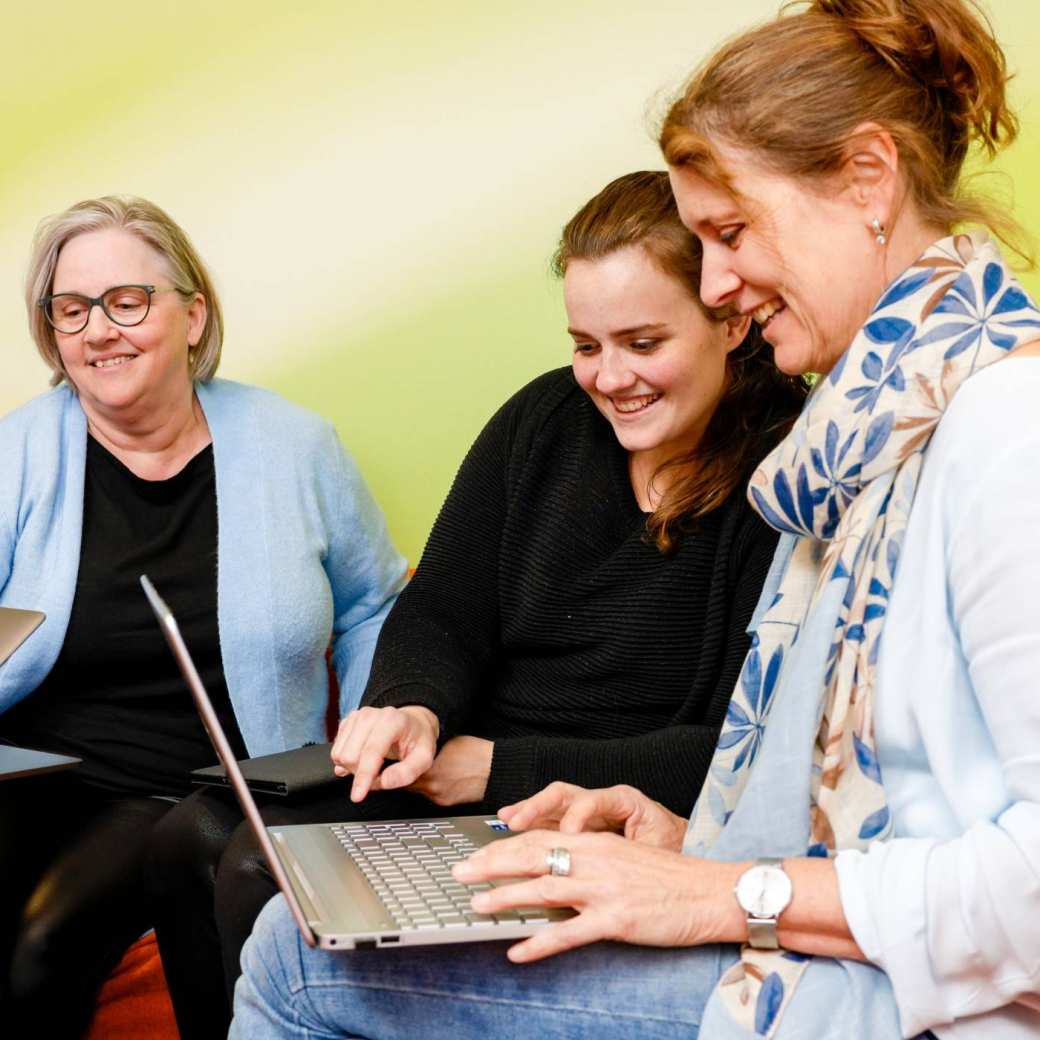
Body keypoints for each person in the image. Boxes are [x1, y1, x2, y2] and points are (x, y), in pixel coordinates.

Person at [231, 1, 1040, 1038]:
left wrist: (719, 890)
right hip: (847, 953)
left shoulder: (1003, 432)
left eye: (730, 232)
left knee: (294, 961)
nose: (718, 284)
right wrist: (678, 841)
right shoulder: (870, 445)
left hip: (911, 1003)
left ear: (866, 179)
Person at [150, 169, 809, 1036]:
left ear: (729, 320)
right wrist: (408, 708)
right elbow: (442, 609)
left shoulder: (787, 477)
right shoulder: (543, 422)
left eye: (643, 343)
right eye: (586, 345)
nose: (610, 378)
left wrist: (496, 769)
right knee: (193, 838)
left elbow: (737, 752)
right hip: (459, 775)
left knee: (253, 870)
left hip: (594, 810)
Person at [0, 195, 406, 1038]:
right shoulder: (19, 453)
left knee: (40, 947)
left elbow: (374, 601)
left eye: (126, 301)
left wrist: (375, 721)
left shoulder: (296, 446)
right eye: (70, 310)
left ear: (194, 313)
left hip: (182, 793)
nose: (97, 330)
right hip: (29, 781)